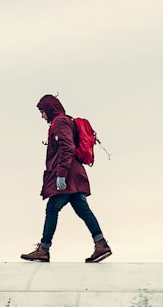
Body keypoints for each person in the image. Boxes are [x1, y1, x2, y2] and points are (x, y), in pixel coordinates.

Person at [21, 94, 112, 263]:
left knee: (52, 208)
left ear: (49, 109)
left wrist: (60, 175)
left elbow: (67, 148)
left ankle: (44, 249)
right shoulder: (62, 121)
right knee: (82, 210)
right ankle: (101, 244)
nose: (42, 116)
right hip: (74, 175)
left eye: (42, 112)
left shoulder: (60, 122)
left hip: (68, 175)